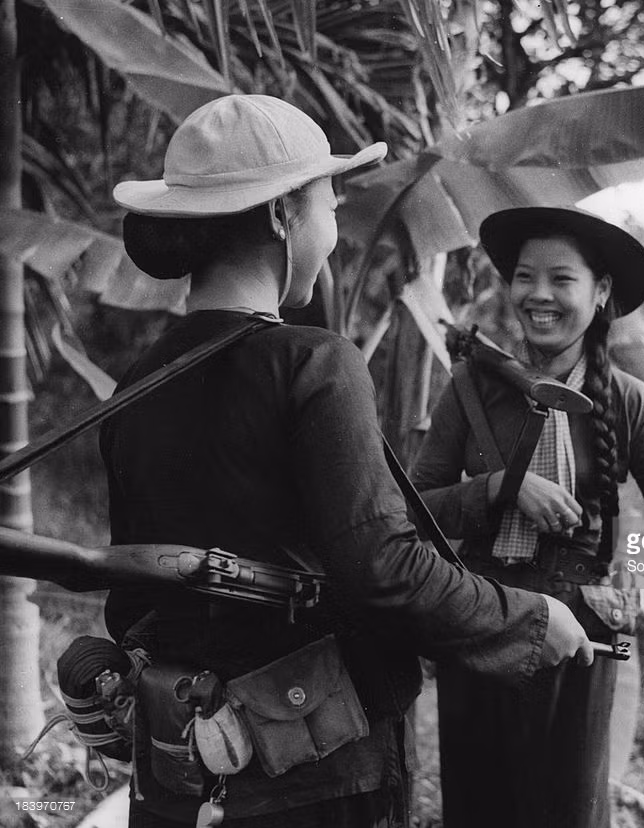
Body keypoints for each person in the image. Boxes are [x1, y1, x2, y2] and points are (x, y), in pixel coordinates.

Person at [103, 94, 594, 828]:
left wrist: (490, 491)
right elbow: (383, 568)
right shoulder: (315, 363)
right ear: (281, 216)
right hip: (313, 776)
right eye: (328, 203)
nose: (334, 230)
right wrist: (528, 619)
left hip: (181, 760)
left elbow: (140, 591)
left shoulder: (132, 385)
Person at [411, 206, 644, 828]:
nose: (539, 295)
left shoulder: (629, 401)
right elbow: (414, 511)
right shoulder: (471, 388)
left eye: (562, 279)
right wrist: (501, 488)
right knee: (479, 806)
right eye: (525, 277)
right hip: (478, 622)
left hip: (582, 639)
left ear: (601, 292)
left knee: (569, 809)